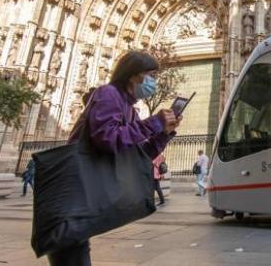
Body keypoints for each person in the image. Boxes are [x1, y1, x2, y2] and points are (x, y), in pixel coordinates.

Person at [47, 50, 182, 266]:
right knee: (70, 249)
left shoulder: (129, 109)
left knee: (75, 248)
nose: (154, 82)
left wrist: (164, 133)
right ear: (133, 75)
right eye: (151, 76)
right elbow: (107, 138)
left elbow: (140, 154)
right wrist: (153, 123)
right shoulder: (108, 93)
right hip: (75, 186)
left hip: (87, 189)